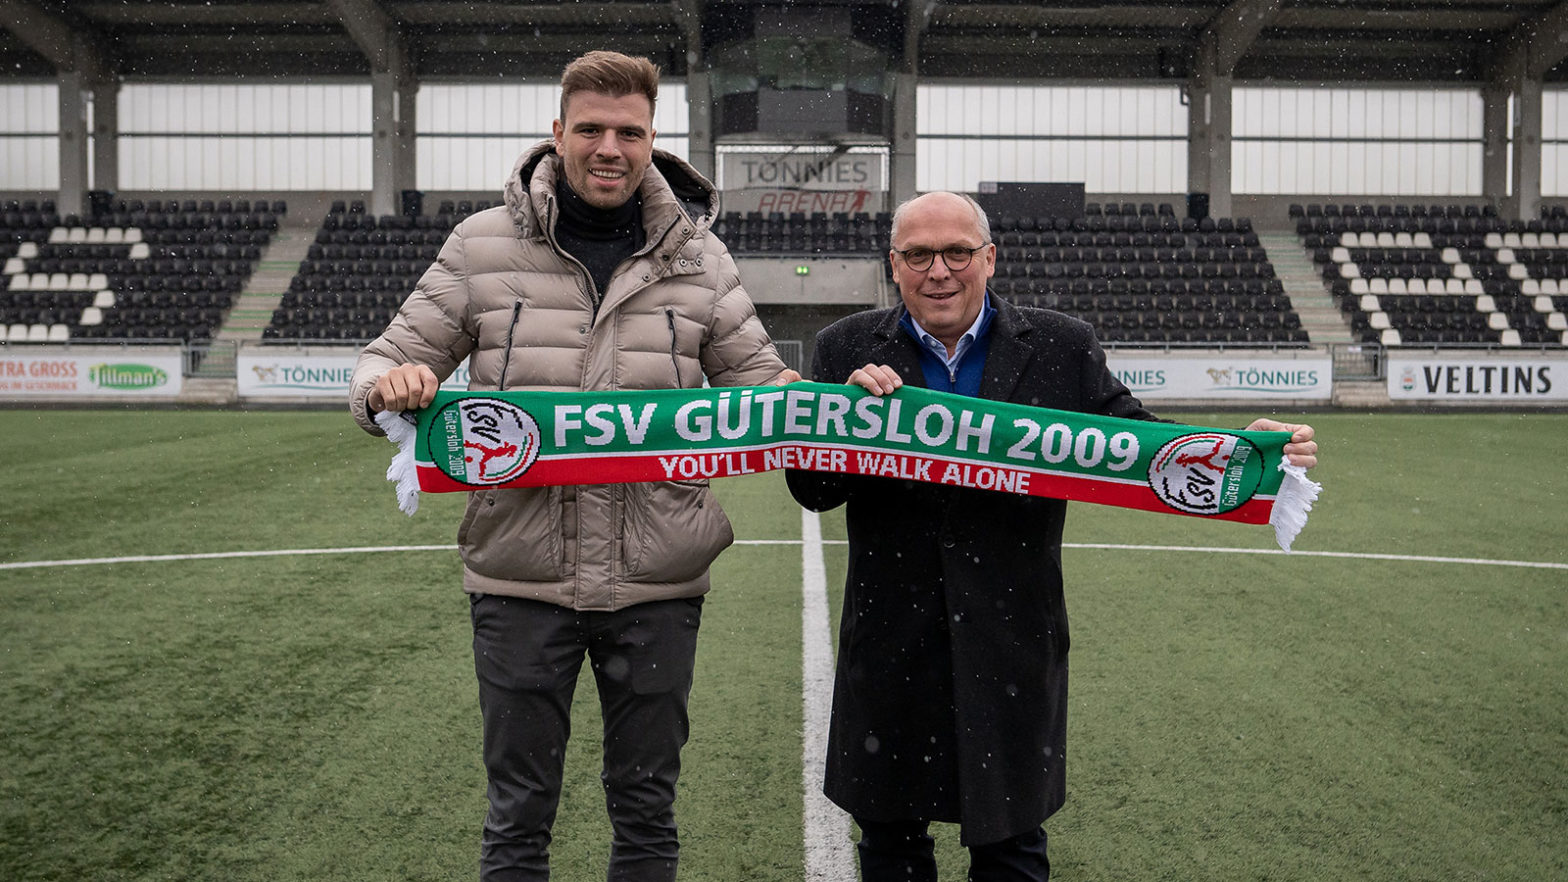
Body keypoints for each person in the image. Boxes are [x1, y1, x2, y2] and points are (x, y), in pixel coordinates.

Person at [348, 50, 799, 882]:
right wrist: (390, 386)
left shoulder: (702, 259)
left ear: (653, 139)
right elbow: (384, 360)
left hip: (659, 584)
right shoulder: (479, 245)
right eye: (589, 128)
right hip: (520, 582)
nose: (608, 147)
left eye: (629, 131)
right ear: (557, 134)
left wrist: (852, 403)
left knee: (647, 811)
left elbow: (771, 396)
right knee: (518, 818)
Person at [785, 191, 1318, 881]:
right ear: (895, 265)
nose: (938, 271)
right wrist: (839, 422)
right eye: (918, 255)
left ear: (990, 258)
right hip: (890, 641)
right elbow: (813, 492)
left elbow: (1141, 449)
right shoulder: (847, 346)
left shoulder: (1062, 345)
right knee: (891, 845)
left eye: (956, 253)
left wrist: (1241, 453)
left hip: (1010, 641)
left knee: (1010, 848)